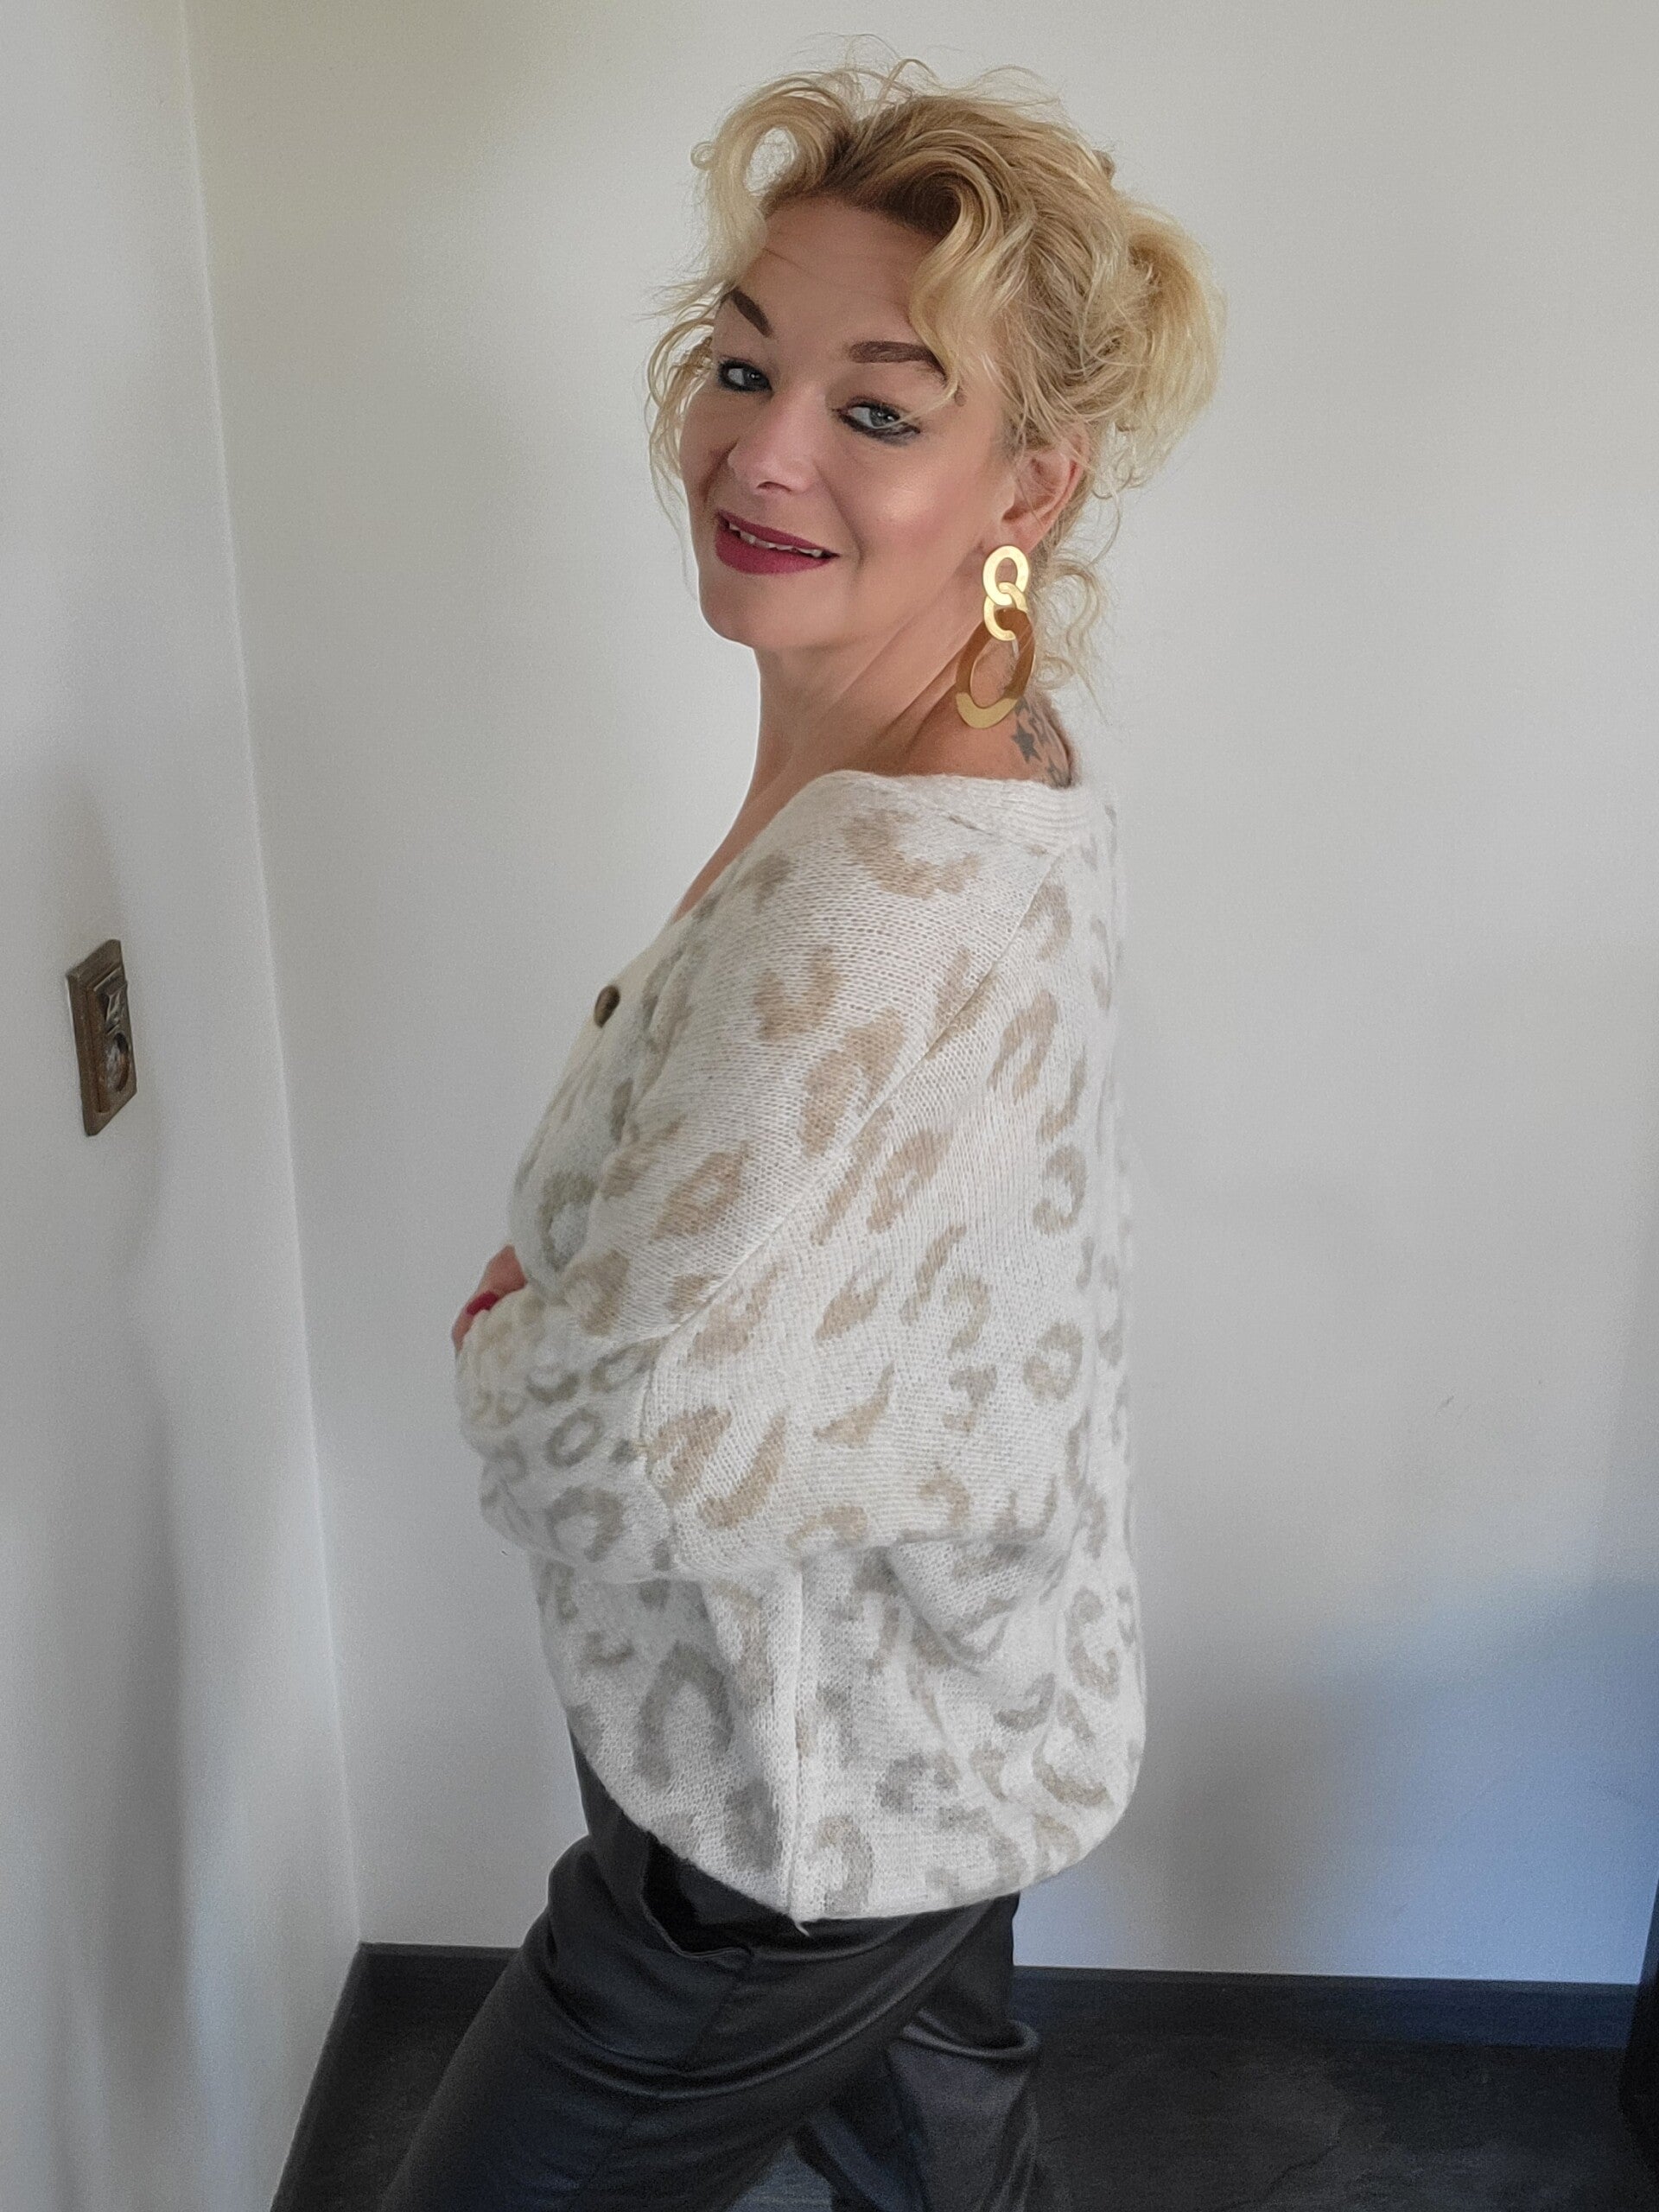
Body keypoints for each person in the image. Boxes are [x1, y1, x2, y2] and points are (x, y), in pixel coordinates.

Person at [384, 46, 1222, 2212]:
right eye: (745, 364)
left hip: (783, 1831)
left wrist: (510, 1338)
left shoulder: (882, 896)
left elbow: (619, 1444)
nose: (761, 451)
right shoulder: (978, 746)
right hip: (941, 1695)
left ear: (1029, 483)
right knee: (950, 2169)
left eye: (880, 407)